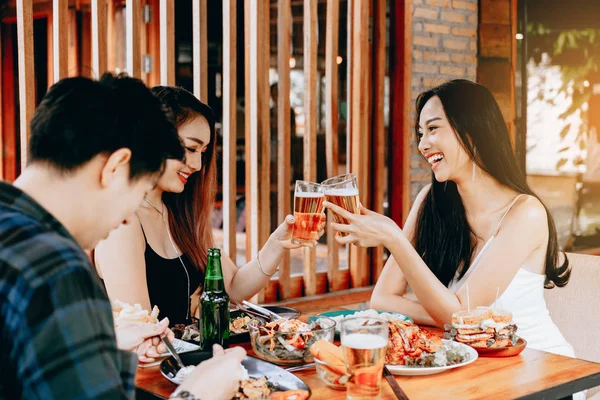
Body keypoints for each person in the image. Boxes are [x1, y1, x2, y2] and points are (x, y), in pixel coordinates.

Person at [0, 74, 246, 400]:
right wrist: (197, 394)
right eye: (140, 190)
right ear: (116, 166)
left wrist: (101, 344)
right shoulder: (56, 267)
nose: (127, 217)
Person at [325, 79, 575, 358]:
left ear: (472, 131)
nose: (422, 144)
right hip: (474, 364)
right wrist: (452, 318)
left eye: (433, 129)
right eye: (420, 133)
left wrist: (394, 239)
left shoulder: (525, 213)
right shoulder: (431, 201)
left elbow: (457, 315)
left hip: (543, 366)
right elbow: (382, 300)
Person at [95, 86, 320, 326]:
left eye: (202, 152)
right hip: (156, 361)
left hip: (185, 359)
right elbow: (141, 332)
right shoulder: (123, 224)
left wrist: (277, 243)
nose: (197, 164)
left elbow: (234, 287)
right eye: (191, 148)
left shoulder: (176, 212)